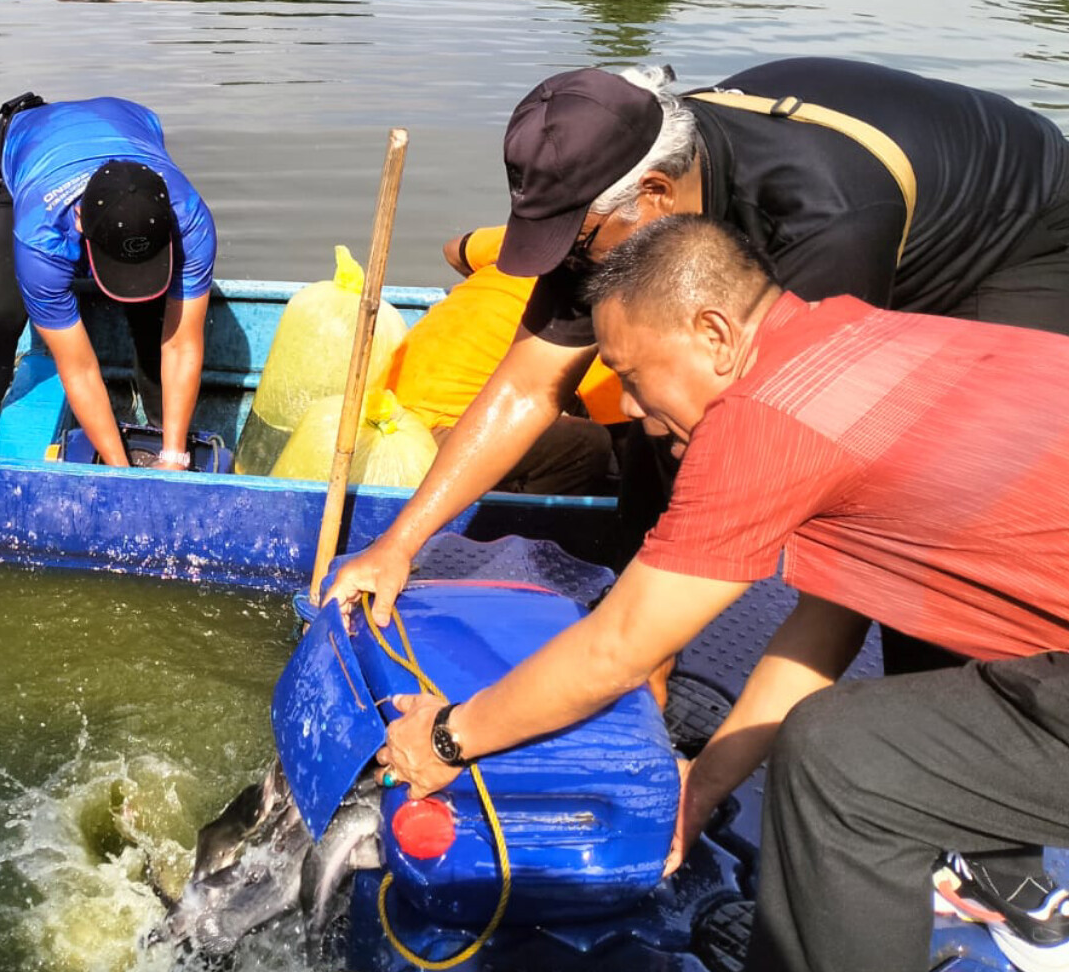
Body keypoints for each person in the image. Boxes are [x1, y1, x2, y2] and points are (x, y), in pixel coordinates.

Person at [359, 216, 1069, 972]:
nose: (627, 407)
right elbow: (832, 618)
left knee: (844, 765)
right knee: (842, 745)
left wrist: (445, 740)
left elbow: (620, 649)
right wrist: (703, 788)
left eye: (631, 375)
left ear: (715, 335)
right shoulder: (855, 335)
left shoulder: (762, 418)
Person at [328, 57, 1069, 617]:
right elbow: (528, 383)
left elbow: (774, 438)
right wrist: (398, 545)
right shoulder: (611, 201)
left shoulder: (820, 220)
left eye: (578, 238)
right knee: (661, 413)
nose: (573, 257)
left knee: (928, 499)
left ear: (654, 197)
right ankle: (638, 616)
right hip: (873, 203)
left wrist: (643, 647)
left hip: (1017, 236)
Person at [0, 94, 217, 468]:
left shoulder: (190, 219)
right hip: (28, 144)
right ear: (78, 222)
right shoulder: (39, 235)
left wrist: (174, 455)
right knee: (2, 310)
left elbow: (182, 344)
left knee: (152, 314)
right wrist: (118, 471)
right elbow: (79, 368)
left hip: (126, 125)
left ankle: (162, 433)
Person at [384, 223, 626, 501]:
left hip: (388, 414)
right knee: (588, 443)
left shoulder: (529, 241)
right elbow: (623, 435)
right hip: (442, 438)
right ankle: (516, 520)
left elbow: (454, 250)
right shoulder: (597, 307)